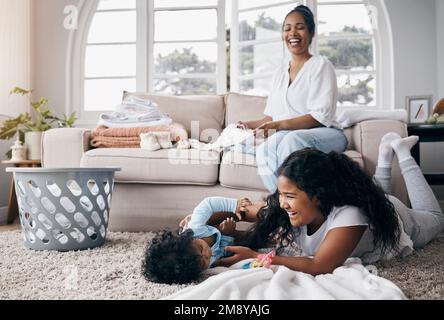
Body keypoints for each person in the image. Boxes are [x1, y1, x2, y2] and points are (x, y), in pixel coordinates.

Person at [217, 133, 444, 275]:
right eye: (281, 194)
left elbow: (320, 266)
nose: (283, 203)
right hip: (374, 207)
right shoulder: (291, 208)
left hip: (399, 218)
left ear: (318, 195)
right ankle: (385, 154)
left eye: (291, 196)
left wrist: (255, 257)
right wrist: (215, 225)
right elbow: (243, 210)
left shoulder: (350, 216)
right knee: (377, 196)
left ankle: (403, 153)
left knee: (436, 218)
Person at [236, 5, 347, 193]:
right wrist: (247, 125)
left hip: (324, 133)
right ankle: (283, 206)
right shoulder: (279, 73)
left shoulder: (321, 65)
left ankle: (295, 205)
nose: (292, 33)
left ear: (311, 33)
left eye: (299, 27)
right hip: (287, 134)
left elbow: (319, 117)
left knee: (291, 140)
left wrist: (278, 126)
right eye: (287, 28)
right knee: (264, 150)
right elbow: (271, 118)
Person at [142, 197, 253, 284]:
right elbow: (223, 250)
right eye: (204, 262)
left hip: (208, 224)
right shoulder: (209, 263)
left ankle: (250, 211)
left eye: (200, 248)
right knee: (248, 240)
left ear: (190, 239)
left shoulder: (195, 228)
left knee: (240, 210)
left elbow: (208, 203)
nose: (207, 255)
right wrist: (228, 234)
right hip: (221, 233)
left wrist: (234, 205)